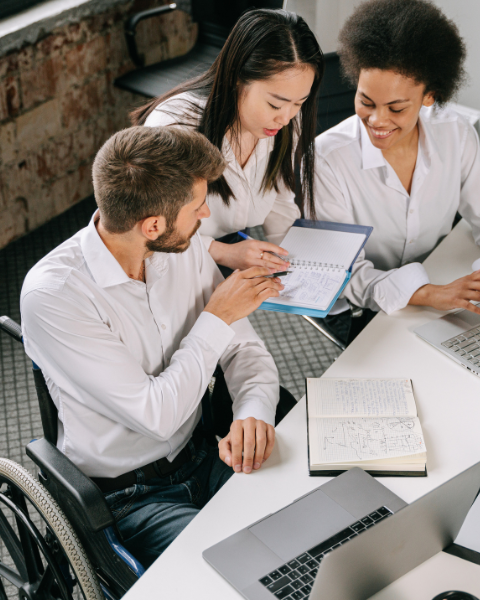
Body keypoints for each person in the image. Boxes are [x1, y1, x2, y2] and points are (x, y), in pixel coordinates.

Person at [20, 126, 287, 566]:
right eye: (197, 205)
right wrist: (216, 316)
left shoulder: (185, 249)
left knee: (297, 531)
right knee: (234, 573)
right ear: (154, 225)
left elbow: (244, 350)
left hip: (206, 452)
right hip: (128, 495)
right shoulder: (53, 296)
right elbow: (157, 417)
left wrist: (252, 413)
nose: (205, 214)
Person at [314, 0, 480, 344]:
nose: (377, 120)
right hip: (371, 309)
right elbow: (340, 273)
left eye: (396, 108)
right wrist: (426, 293)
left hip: (445, 282)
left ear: (429, 97)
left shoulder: (454, 133)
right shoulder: (326, 160)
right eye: (366, 101)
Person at [130, 8, 323, 275]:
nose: (286, 118)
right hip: (163, 260)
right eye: (274, 103)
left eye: (299, 103)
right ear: (236, 78)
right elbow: (150, 232)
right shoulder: (174, 128)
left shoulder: (288, 123)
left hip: (228, 251)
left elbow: (280, 203)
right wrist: (223, 253)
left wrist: (294, 263)